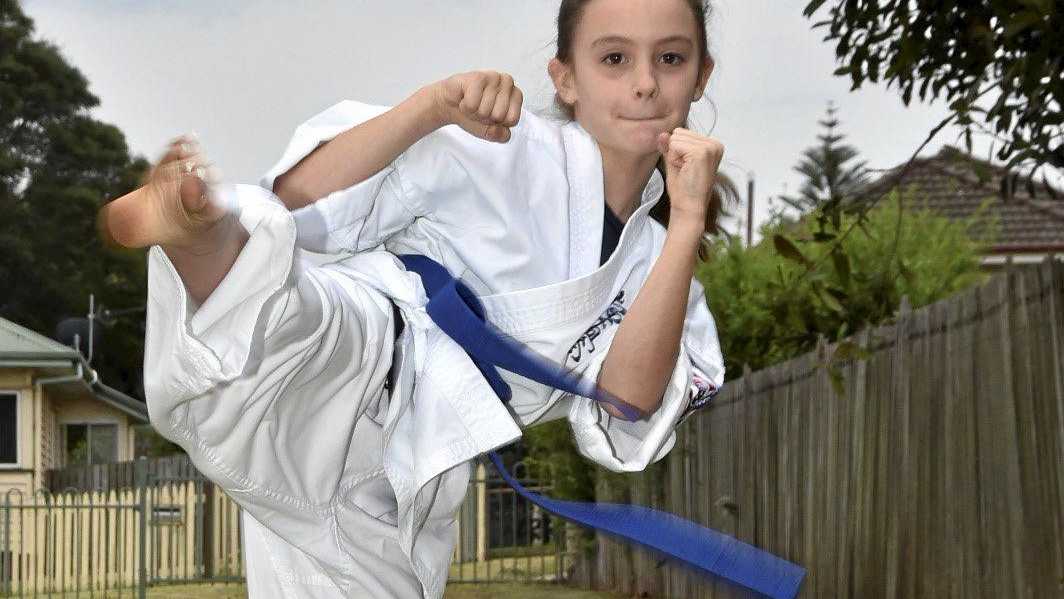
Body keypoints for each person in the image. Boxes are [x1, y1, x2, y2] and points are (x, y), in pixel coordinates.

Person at [99, 1, 732, 597]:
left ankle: (212, 244)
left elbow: (625, 405)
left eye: (670, 59)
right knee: (296, 322)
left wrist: (686, 224)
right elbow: (297, 201)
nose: (645, 84)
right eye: (615, 59)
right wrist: (427, 109)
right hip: (374, 350)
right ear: (566, 79)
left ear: (700, 76)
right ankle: (201, 238)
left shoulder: (663, 270)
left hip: (413, 475)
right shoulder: (498, 144)